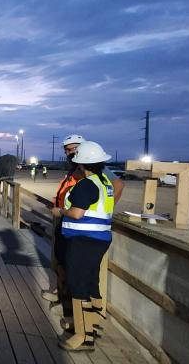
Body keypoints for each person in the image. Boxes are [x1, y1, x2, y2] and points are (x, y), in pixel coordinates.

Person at [42, 135, 124, 304]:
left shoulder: (93, 176)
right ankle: (84, 317)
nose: (70, 153)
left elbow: (117, 186)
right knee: (81, 275)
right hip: (84, 232)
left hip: (81, 233)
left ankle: (78, 319)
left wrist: (98, 211)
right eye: (67, 150)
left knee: (78, 279)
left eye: (73, 149)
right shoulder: (84, 173)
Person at [51, 141, 114, 351]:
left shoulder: (86, 184)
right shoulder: (104, 182)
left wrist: (60, 212)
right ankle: (92, 325)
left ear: (81, 164)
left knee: (78, 285)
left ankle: (83, 336)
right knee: (90, 283)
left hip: (83, 240)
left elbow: (77, 213)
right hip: (99, 239)